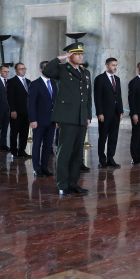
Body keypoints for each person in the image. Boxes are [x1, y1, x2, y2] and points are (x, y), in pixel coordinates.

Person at [42, 42, 93, 196]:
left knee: (77, 153)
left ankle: (73, 183)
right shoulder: (62, 69)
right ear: (70, 55)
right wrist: (60, 58)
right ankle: (63, 184)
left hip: (81, 117)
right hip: (67, 117)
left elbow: (88, 96)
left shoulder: (86, 72)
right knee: (64, 152)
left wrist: (88, 116)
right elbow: (47, 71)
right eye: (77, 54)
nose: (81, 56)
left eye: (81, 54)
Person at [28, 61, 58, 178]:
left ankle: (45, 167)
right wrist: (32, 119)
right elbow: (31, 103)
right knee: (37, 145)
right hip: (39, 121)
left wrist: (57, 119)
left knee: (48, 145)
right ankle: (37, 168)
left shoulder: (54, 83)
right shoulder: (35, 84)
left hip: (51, 120)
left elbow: (56, 102)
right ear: (41, 70)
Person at [94, 57, 124, 168]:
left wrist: (121, 112)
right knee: (103, 137)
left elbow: (119, 96)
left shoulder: (117, 79)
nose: (115, 67)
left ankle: (111, 159)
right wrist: (99, 113)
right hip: (105, 114)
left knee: (113, 137)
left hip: (116, 113)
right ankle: (102, 160)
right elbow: (97, 97)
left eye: (116, 65)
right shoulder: (100, 79)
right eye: (113, 65)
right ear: (107, 66)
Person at [6, 62, 31, 158]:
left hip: (27, 112)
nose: (23, 70)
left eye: (24, 68)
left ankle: (22, 150)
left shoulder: (28, 82)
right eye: (21, 69)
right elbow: (10, 97)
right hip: (16, 111)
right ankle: (13, 151)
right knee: (14, 132)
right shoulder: (12, 81)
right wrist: (12, 110)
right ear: (16, 71)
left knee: (24, 132)